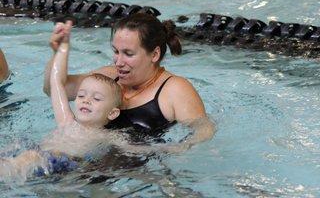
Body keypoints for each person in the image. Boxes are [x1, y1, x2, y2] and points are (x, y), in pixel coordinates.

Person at [44, 13, 215, 151]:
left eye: (128, 53)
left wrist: (175, 148)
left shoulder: (174, 89)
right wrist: (57, 52)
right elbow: (55, 89)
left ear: (154, 55)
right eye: (116, 51)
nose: (118, 61)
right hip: (87, 160)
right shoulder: (108, 77)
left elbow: (203, 131)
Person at [0, 21, 127, 180]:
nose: (86, 101)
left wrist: (166, 148)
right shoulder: (67, 121)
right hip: (43, 160)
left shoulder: (110, 136)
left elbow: (136, 150)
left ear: (113, 113)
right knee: (18, 149)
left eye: (96, 98)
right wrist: (63, 48)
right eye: (81, 96)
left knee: (30, 156)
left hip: (65, 165)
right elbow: (56, 83)